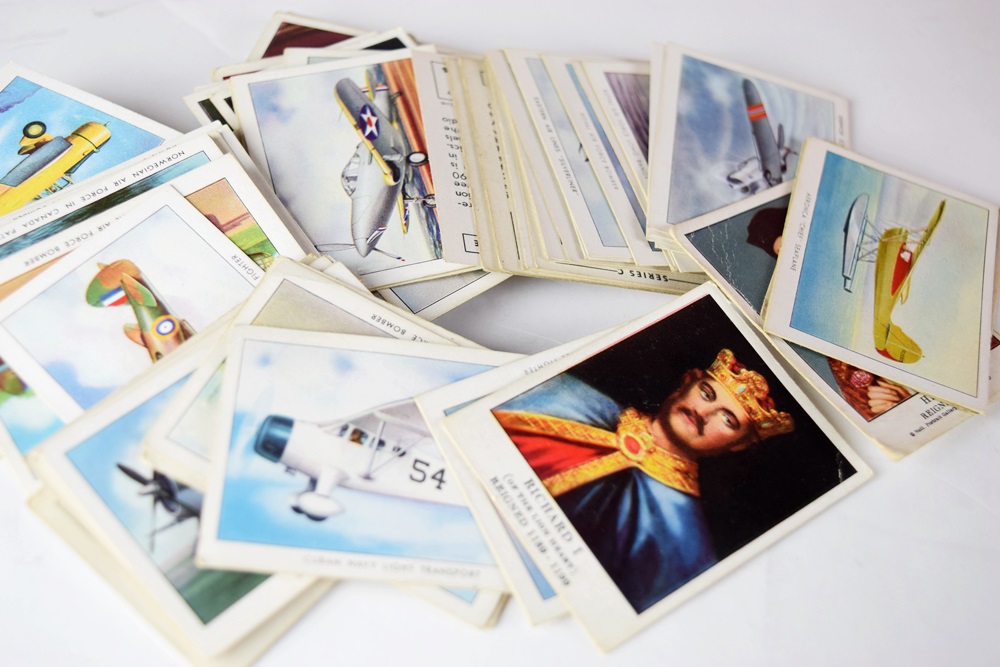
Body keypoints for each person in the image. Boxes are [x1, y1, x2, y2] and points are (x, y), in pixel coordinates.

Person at [492, 348, 794, 613]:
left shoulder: (684, 544)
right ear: (687, 381)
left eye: (727, 420)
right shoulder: (568, 397)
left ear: (740, 444)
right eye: (706, 393)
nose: (703, 413)